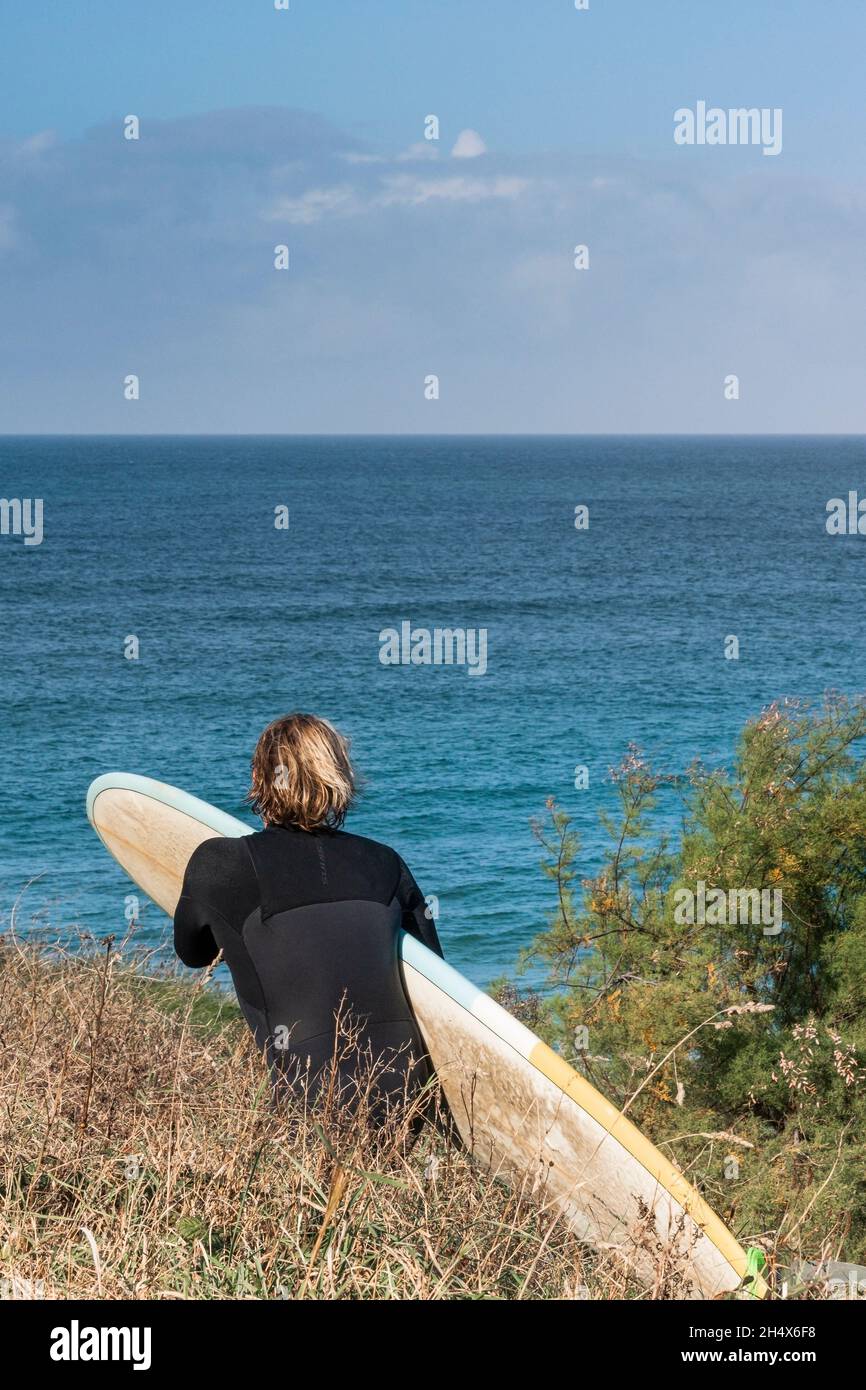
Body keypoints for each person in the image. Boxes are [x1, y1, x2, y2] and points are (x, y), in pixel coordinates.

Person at [173, 713, 444, 1122]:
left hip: (307, 1104)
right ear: (339, 775)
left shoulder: (221, 864)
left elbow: (191, 952)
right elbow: (434, 976)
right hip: (405, 1097)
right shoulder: (386, 863)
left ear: (258, 779)